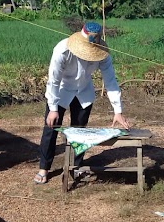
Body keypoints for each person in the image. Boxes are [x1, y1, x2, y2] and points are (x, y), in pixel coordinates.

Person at [34, 21, 130, 184]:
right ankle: (44, 168)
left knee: (79, 131)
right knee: (51, 129)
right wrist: (53, 108)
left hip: (84, 91)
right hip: (61, 91)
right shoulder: (62, 50)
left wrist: (118, 110)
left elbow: (111, 81)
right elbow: (54, 81)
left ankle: (76, 166)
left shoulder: (103, 53)